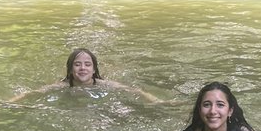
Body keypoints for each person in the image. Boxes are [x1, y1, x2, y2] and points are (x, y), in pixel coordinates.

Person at [10, 48, 162, 102]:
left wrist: (157, 101)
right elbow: (33, 93)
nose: (83, 68)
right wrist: (11, 102)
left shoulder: (103, 84)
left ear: (94, 70)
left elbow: (135, 91)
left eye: (87, 65)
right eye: (77, 64)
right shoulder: (62, 85)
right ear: (70, 70)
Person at [174, 81, 258, 131]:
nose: (212, 111)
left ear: (230, 111)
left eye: (220, 105)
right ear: (200, 110)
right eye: (206, 105)